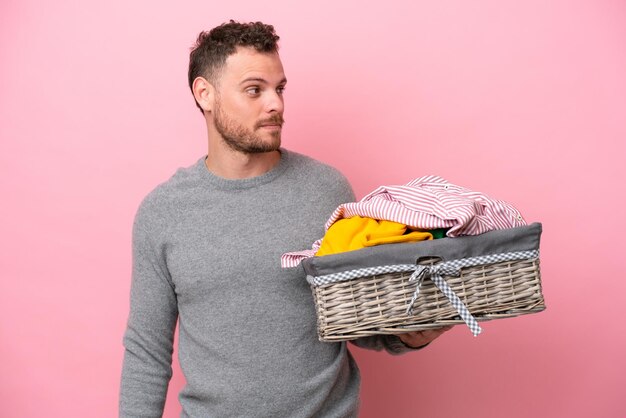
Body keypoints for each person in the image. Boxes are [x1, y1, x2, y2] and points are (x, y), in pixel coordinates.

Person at [119, 20, 450, 417]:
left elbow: (358, 317)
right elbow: (146, 352)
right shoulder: (162, 213)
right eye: (254, 90)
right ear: (205, 94)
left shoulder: (327, 190)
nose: (275, 104)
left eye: (279, 89)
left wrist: (413, 336)